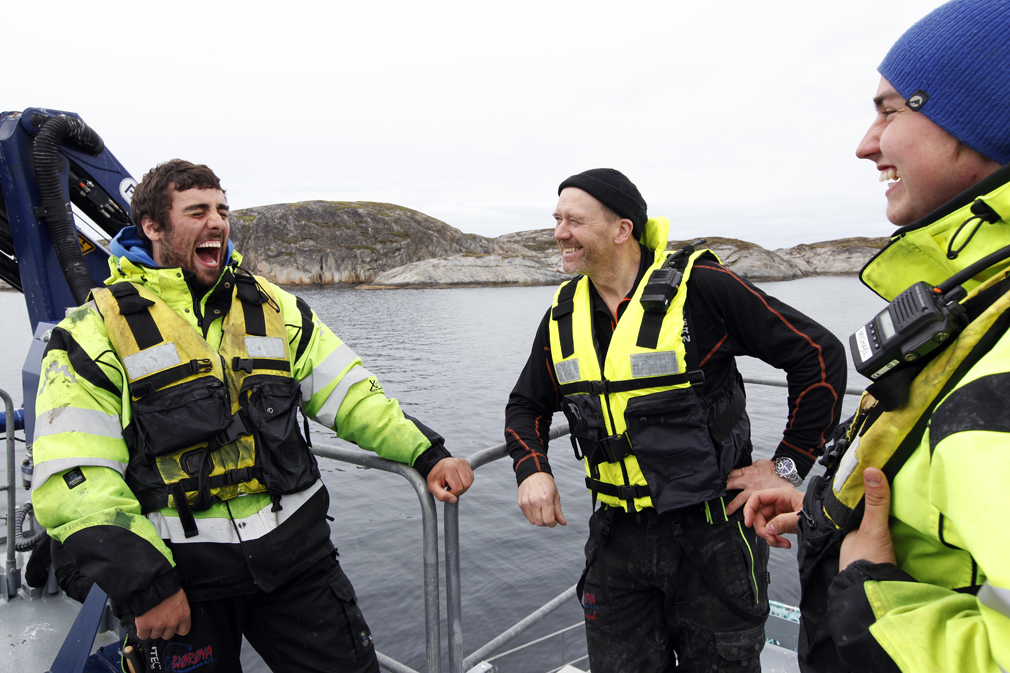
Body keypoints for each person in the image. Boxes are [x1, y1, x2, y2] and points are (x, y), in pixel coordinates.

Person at [30, 159, 474, 673]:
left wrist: (426, 452)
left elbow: (352, 394)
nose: (216, 222)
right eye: (197, 211)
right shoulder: (92, 330)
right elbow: (74, 475)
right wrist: (147, 585)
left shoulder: (272, 306)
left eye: (222, 209)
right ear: (152, 227)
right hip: (183, 584)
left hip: (299, 564)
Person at [743, 1, 1010, 670]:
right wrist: (825, 511)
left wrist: (872, 600)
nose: (867, 142)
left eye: (890, 110)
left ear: (982, 115)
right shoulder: (981, 304)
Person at [504, 168, 846, 672]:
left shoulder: (703, 288)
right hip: (617, 537)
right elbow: (525, 406)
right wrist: (532, 468)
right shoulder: (562, 313)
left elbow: (818, 353)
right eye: (557, 219)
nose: (559, 233)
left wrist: (788, 465)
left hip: (716, 534)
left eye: (574, 220)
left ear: (623, 229)